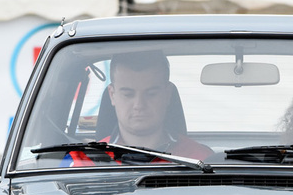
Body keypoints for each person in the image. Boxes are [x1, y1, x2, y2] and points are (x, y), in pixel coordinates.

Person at [71, 51, 212, 164]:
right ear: (112, 95)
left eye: (151, 94)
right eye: (128, 94)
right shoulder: (86, 161)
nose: (139, 105)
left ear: (168, 94)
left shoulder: (200, 159)